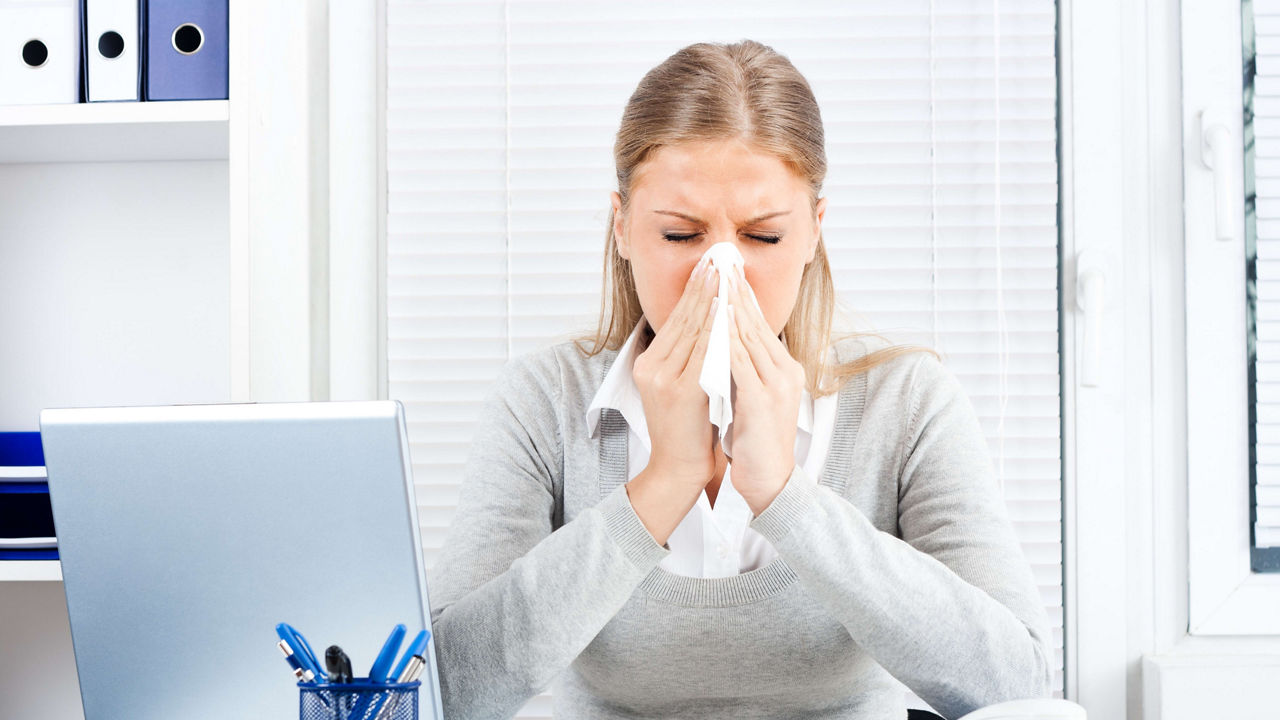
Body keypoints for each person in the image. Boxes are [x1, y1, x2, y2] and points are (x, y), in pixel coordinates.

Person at [427, 39, 1052, 719]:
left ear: (814, 232)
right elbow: (446, 691)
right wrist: (661, 484)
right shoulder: (543, 403)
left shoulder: (907, 403)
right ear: (623, 228)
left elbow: (1016, 684)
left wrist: (788, 497)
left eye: (762, 238)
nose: (719, 276)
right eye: (679, 236)